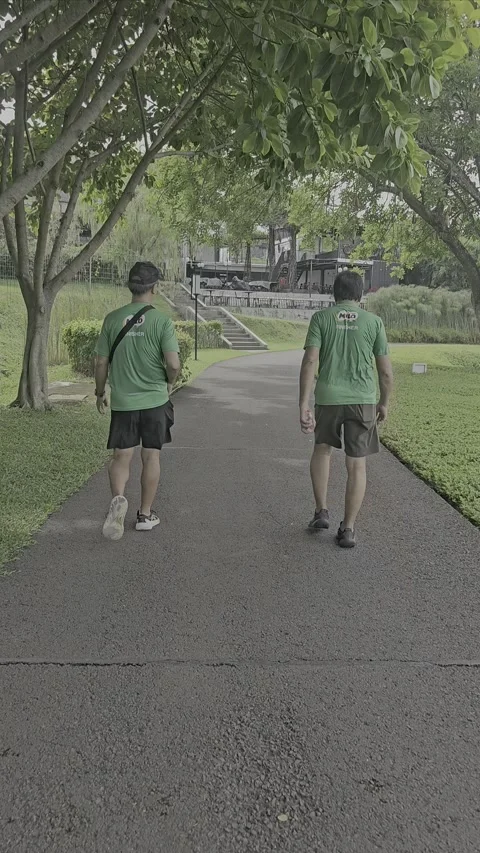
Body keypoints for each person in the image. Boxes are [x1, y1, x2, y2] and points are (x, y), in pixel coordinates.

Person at [299, 270, 393, 549]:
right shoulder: (374, 322)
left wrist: (303, 403)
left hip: (328, 397)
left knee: (322, 451)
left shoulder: (321, 318)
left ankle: (321, 511)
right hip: (362, 399)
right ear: (360, 294)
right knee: (356, 463)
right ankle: (348, 528)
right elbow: (386, 372)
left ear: (334, 293)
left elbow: (309, 362)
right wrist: (384, 402)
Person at [94, 261, 180, 541]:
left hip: (123, 402)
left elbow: (100, 362)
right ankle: (145, 514)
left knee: (121, 455)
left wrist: (99, 392)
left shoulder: (111, 319)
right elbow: (174, 364)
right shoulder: (161, 321)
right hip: (154, 401)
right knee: (150, 455)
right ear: (154, 287)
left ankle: (118, 500)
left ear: (130, 286)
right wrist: (170, 381)